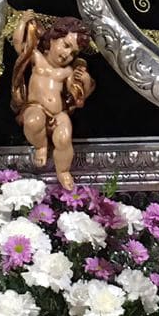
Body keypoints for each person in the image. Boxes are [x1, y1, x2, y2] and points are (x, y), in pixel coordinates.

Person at [10, 12, 94, 189]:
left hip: (58, 113)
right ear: (53, 38)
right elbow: (19, 44)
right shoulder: (37, 59)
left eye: (73, 52)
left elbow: (78, 97)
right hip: (36, 107)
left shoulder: (67, 72)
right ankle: (41, 145)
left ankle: (63, 170)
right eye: (65, 45)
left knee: (64, 139)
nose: (67, 54)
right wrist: (23, 23)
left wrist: (84, 81)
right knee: (33, 122)